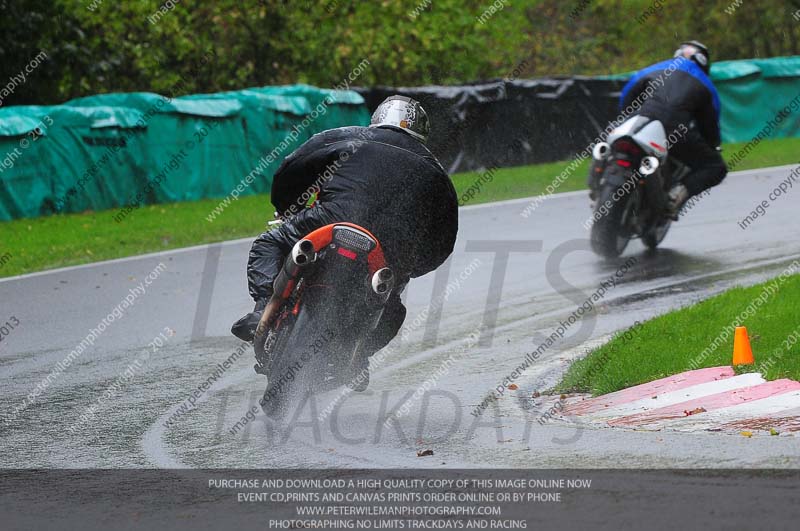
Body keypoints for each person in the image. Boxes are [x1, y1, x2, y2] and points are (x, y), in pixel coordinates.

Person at [231, 95, 459, 390]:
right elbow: (444, 238)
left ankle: (261, 310)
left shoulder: (347, 135)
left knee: (269, 243)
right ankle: (358, 357)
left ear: (378, 119)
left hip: (330, 218)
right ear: (421, 133)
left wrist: (287, 207)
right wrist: (411, 265)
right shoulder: (435, 169)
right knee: (393, 306)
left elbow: (293, 168)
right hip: (391, 246)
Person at [619, 40, 727, 218]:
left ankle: (598, 183)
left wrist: (627, 118)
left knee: (609, 142)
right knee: (716, 166)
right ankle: (676, 196)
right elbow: (710, 126)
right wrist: (713, 145)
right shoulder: (705, 84)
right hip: (673, 131)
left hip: (637, 122)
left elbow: (627, 93)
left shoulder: (653, 68)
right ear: (704, 62)